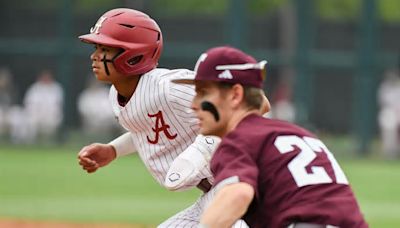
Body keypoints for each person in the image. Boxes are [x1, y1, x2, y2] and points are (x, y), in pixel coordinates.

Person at [76, 8, 251, 227]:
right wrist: (113, 150)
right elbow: (149, 129)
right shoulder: (117, 95)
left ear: (132, 55)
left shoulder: (169, 86)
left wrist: (204, 147)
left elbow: (241, 108)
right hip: (214, 194)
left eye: (105, 49)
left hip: (246, 190)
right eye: (96, 47)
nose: (94, 55)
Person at [173, 46, 368, 228]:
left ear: (235, 95)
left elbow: (237, 195)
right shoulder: (298, 134)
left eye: (203, 93)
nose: (194, 104)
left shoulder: (239, 139)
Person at [23, 69, 64, 143]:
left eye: (48, 76)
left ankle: (49, 143)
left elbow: (58, 106)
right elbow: (29, 105)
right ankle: (30, 143)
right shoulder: (34, 88)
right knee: (30, 120)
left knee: (53, 120)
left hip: (51, 116)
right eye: (44, 76)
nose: (46, 78)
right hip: (35, 116)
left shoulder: (56, 88)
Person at [377, 69, 400, 159]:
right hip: (390, 113)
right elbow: (384, 104)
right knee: (388, 120)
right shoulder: (384, 88)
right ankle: (390, 151)